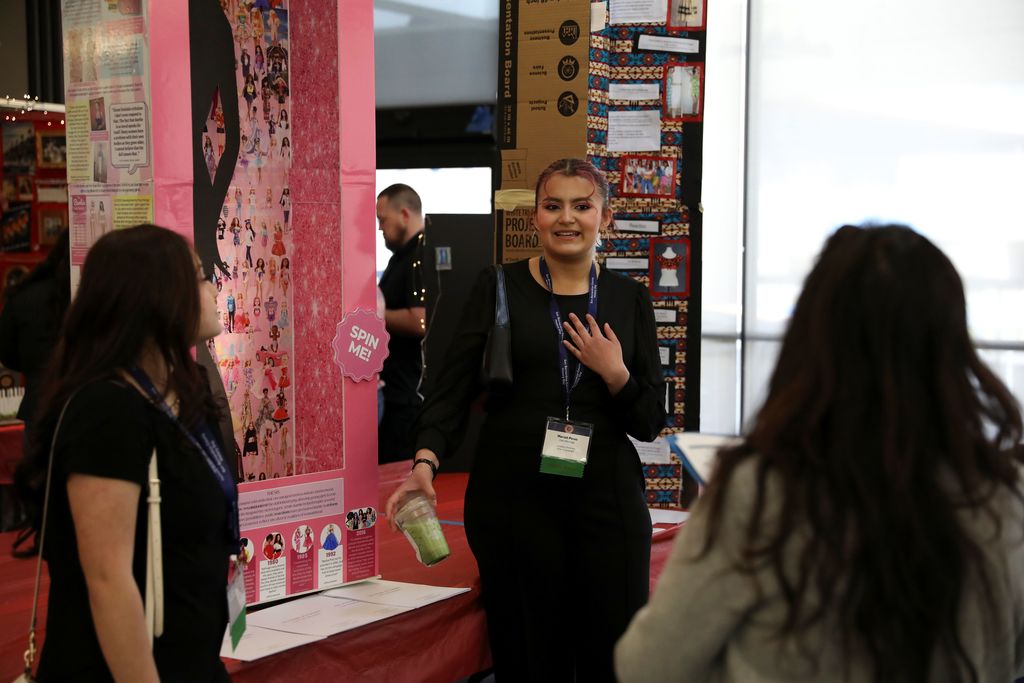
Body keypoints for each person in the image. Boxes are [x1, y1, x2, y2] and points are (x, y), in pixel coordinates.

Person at [615, 225, 1024, 682]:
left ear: (809, 337)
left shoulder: (760, 493)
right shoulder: (1003, 494)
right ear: (952, 345)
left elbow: (649, 665)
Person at [386, 158, 665, 681]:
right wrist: (425, 462)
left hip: (606, 504)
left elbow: (650, 419)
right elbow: (450, 390)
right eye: (552, 205)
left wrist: (616, 375)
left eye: (582, 206)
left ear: (604, 218)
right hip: (515, 503)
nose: (567, 218)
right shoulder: (499, 287)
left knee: (617, 658)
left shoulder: (630, 299)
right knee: (531, 658)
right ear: (535, 217)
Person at [21, 224, 237, 682]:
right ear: (158, 296)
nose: (212, 287)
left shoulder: (187, 392)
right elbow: (107, 578)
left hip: (192, 664)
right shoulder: (106, 409)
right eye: (199, 276)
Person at [376, 183, 427, 463]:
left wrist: (373, 314)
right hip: (396, 389)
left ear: (404, 214)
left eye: (383, 219)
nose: (380, 228)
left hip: (408, 394)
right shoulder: (402, 258)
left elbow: (421, 321)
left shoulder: (419, 255)